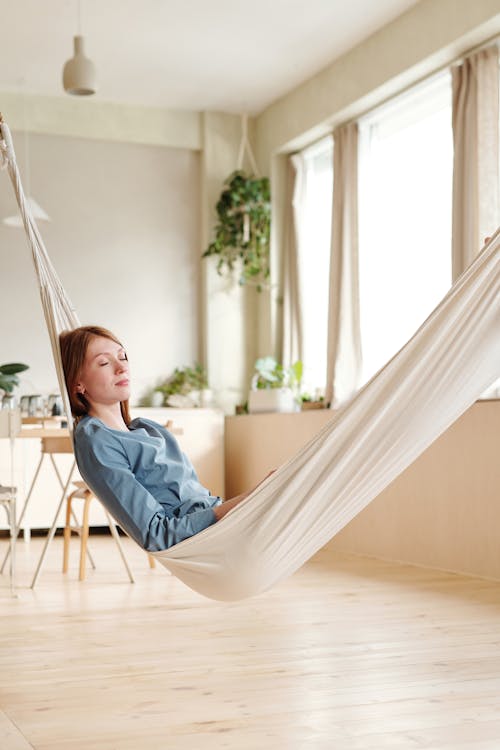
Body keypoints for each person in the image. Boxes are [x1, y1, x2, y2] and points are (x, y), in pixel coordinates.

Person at [59, 326, 264, 552]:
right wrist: (243, 502)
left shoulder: (147, 428)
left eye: (122, 356)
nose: (121, 368)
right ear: (78, 383)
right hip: (210, 536)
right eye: (104, 363)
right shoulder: (98, 441)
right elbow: (157, 534)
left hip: (224, 522)